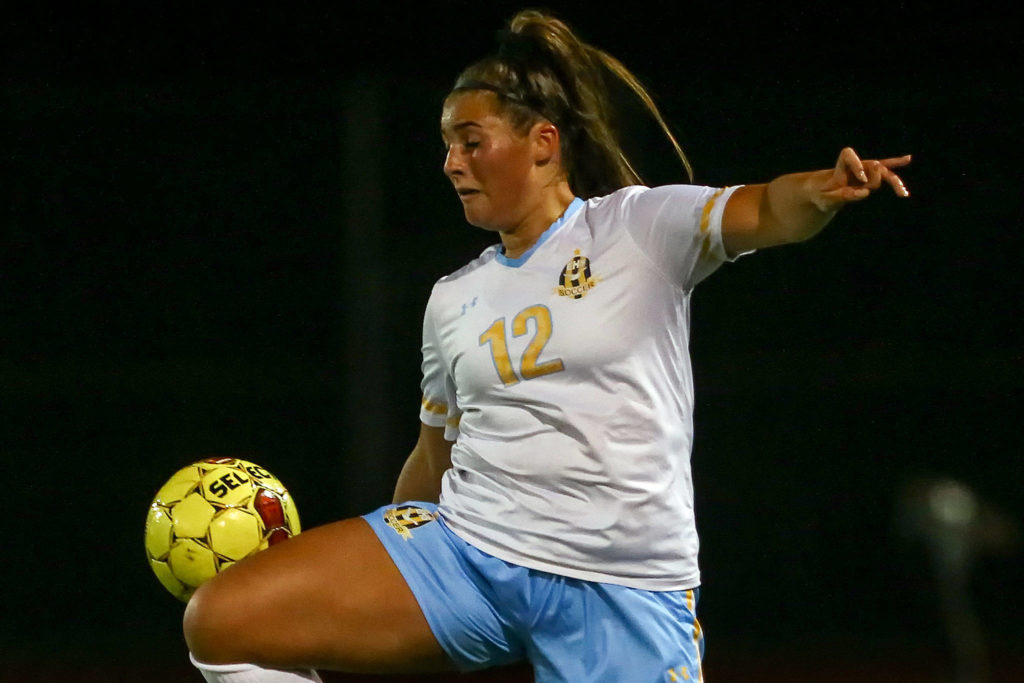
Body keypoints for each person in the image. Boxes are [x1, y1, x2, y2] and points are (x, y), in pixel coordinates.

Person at [182, 10, 910, 683]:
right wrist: (372, 561)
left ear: (543, 143)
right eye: (446, 146)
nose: (452, 162)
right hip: (470, 552)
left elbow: (763, 209)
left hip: (620, 583)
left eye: (471, 142)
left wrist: (819, 191)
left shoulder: (639, 227)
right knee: (225, 619)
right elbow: (434, 457)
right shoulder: (452, 297)